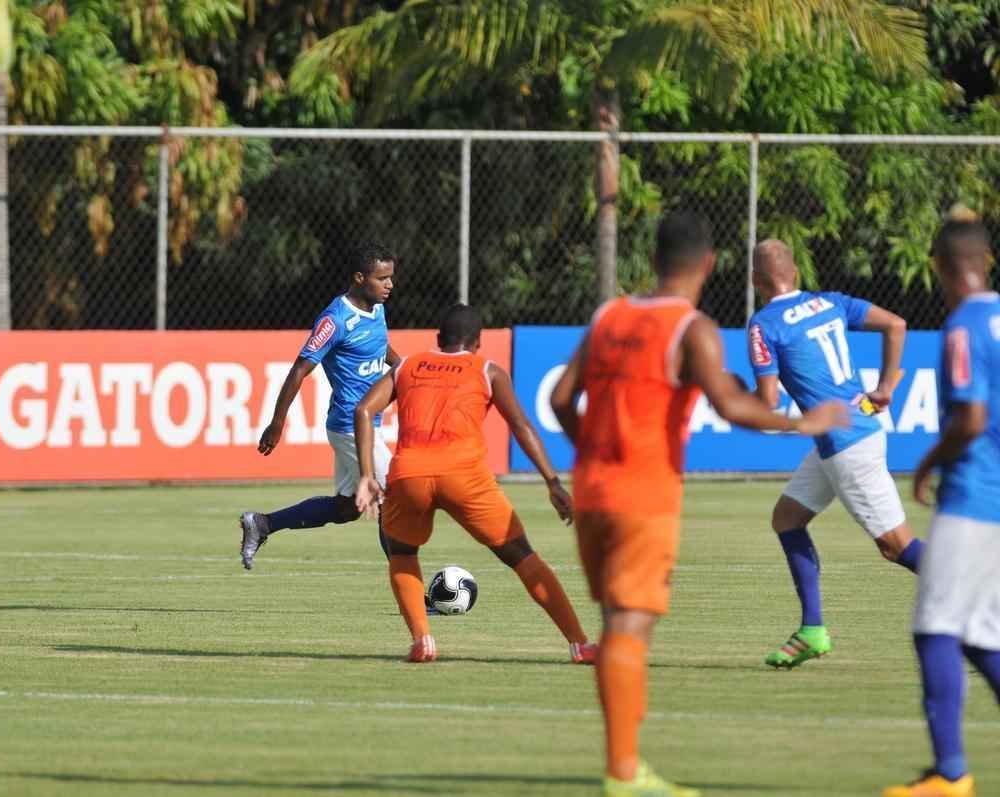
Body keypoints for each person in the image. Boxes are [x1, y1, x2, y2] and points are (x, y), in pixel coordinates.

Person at [550, 212, 848, 797]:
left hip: (592, 490)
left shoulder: (609, 316)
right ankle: (623, 771)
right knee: (629, 629)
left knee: (618, 624)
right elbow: (733, 408)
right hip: (642, 495)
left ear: (654, 259)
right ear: (709, 264)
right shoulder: (693, 329)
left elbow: (563, 397)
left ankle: (627, 766)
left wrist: (591, 447)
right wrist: (802, 419)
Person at [354, 304, 597, 665]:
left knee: (403, 553)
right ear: (478, 342)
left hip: (409, 474)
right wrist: (552, 482)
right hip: (463, 476)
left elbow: (363, 410)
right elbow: (521, 426)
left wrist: (367, 476)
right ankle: (579, 644)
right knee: (522, 556)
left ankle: (423, 640)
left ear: (438, 339)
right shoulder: (487, 370)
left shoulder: (407, 365)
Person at [747, 239, 923, 669]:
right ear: (796, 274)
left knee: (896, 547)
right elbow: (896, 324)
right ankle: (812, 631)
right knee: (787, 518)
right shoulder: (830, 302)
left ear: (755, 281)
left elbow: (767, 400)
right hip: (853, 431)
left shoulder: (763, 325)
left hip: (848, 446)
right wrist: (883, 388)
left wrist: (729, 399)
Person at [883, 209, 1000, 797]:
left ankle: (950, 774)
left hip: (974, 497)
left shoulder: (962, 327)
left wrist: (927, 463)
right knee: (980, 635)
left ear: (940, 268)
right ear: (986, 262)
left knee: (934, 629)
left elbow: (972, 418)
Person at [239, 242, 400, 569]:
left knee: (345, 509)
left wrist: (406, 369)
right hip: (352, 425)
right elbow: (300, 369)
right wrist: (277, 422)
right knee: (393, 499)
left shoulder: (377, 308)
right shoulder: (335, 319)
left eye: (391, 277)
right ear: (359, 278)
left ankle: (262, 523)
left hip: (369, 424)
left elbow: (379, 348)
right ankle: (411, 590)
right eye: (382, 278)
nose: (390, 285)